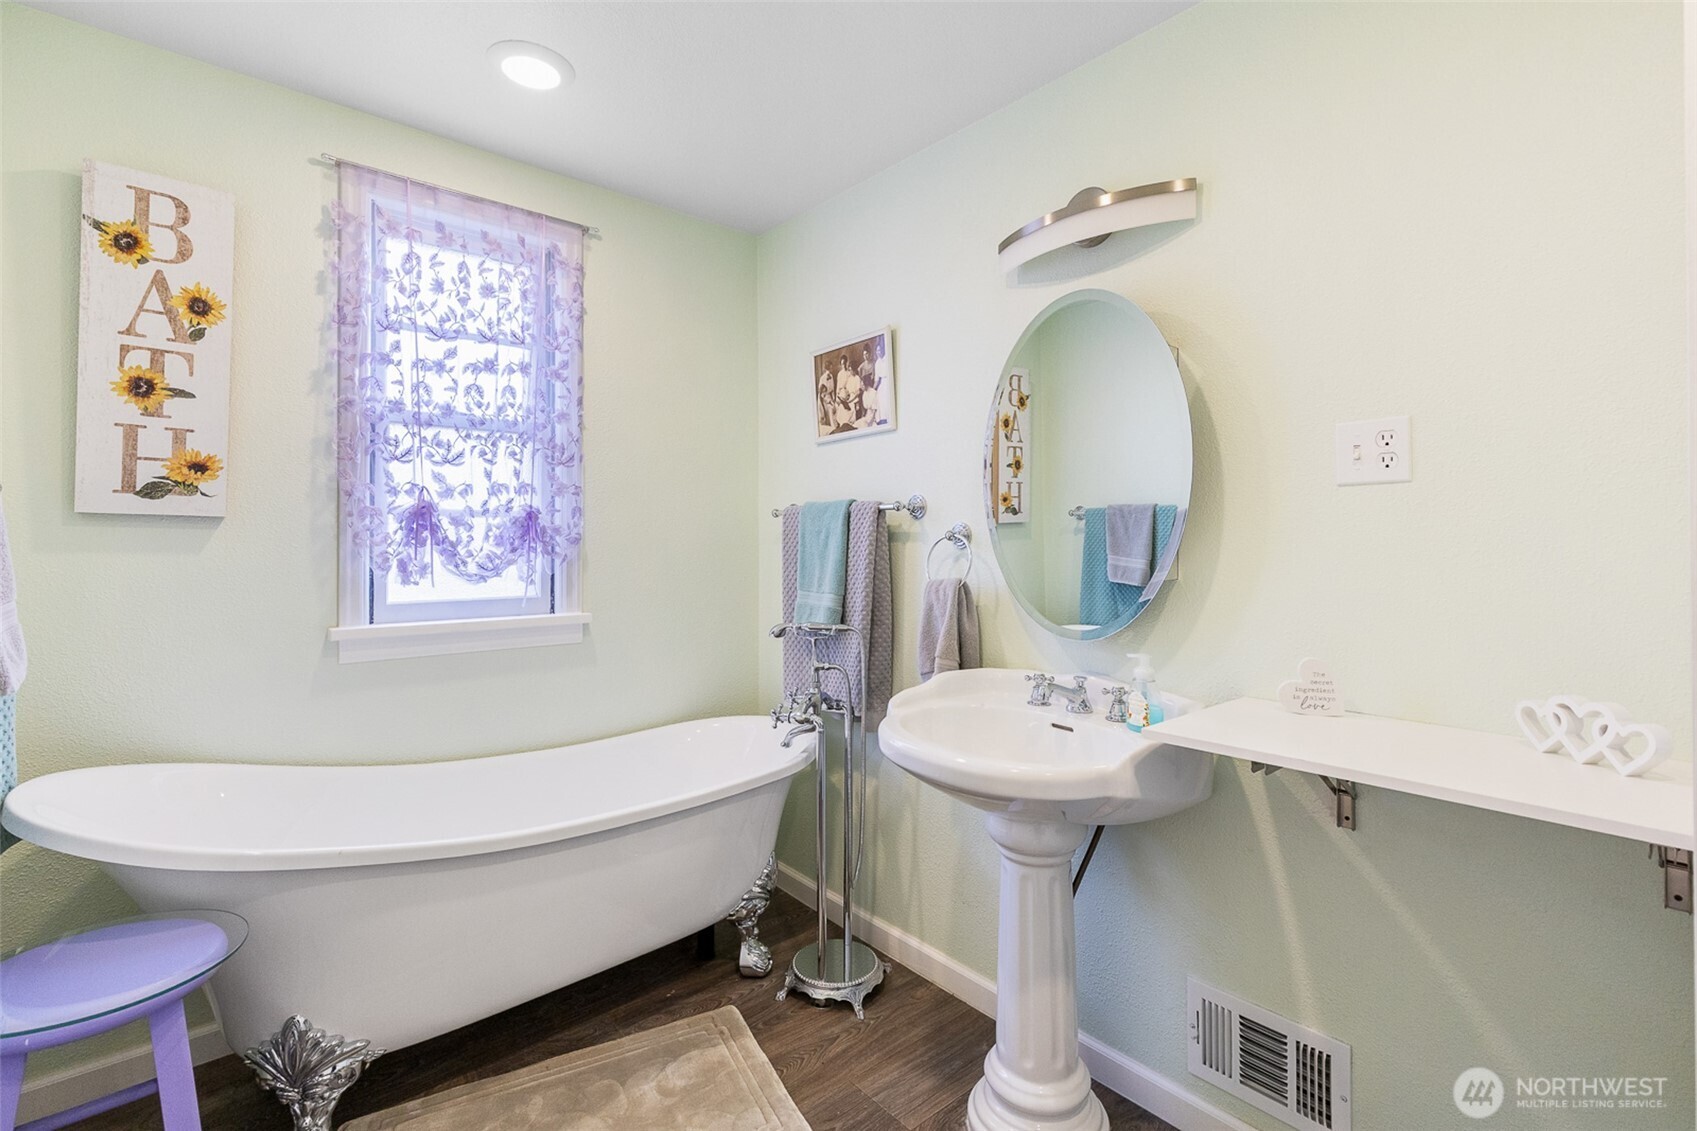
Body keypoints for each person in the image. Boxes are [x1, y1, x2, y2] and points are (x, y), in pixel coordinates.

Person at [833, 352, 862, 432]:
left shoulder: (857, 378)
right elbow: (845, 389)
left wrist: (851, 400)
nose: (850, 371)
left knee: (849, 410)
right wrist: (843, 396)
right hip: (848, 398)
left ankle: (849, 425)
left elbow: (858, 392)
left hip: (853, 399)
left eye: (851, 370)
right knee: (842, 409)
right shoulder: (848, 378)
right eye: (849, 370)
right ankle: (843, 425)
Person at [857, 345, 879, 426]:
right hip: (865, 387)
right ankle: (863, 413)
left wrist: (872, 391)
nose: (865, 356)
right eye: (864, 355)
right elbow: (860, 378)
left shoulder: (873, 364)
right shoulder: (861, 367)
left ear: (870, 354)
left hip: (872, 386)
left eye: (867, 354)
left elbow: (875, 378)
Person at [816, 358, 836, 433]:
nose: (831, 370)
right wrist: (828, 401)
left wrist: (833, 399)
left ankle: (835, 425)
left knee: (835, 406)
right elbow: (821, 393)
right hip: (824, 398)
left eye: (831, 368)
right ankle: (832, 428)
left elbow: (833, 389)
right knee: (830, 408)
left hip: (830, 397)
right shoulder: (822, 378)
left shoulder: (831, 376)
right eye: (830, 368)